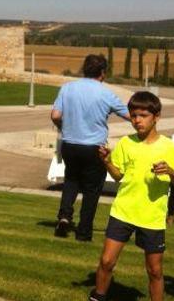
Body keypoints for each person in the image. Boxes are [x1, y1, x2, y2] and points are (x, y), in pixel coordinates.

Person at [89, 91, 174, 301]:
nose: (137, 120)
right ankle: (98, 297)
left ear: (156, 116)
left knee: (154, 271)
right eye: (133, 116)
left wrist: (170, 171)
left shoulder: (168, 146)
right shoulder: (126, 142)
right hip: (122, 211)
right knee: (106, 262)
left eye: (143, 116)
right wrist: (107, 162)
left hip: (152, 218)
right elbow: (118, 176)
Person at [51, 54, 130, 241]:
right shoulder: (106, 94)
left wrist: (65, 127)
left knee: (71, 181)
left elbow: (55, 115)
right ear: (103, 72)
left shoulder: (67, 88)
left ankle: (64, 216)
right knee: (92, 190)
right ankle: (84, 230)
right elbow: (129, 115)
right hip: (94, 146)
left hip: (70, 143)